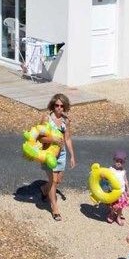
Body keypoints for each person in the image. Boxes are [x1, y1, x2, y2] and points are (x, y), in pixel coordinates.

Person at [38, 93, 76, 221]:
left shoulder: (66, 121)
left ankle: (44, 189)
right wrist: (52, 139)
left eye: (62, 106)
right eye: (57, 105)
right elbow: (40, 138)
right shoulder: (46, 119)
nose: (59, 108)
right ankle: (55, 208)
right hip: (49, 153)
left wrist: (72, 156)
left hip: (61, 154)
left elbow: (68, 139)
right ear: (53, 105)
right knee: (53, 181)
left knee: (58, 180)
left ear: (65, 107)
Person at [107, 150, 129, 225]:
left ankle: (118, 217)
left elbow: (126, 181)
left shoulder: (123, 171)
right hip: (113, 191)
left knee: (120, 206)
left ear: (123, 163)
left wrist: (128, 190)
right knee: (113, 206)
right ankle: (112, 214)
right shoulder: (111, 169)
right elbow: (106, 178)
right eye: (117, 161)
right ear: (114, 160)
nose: (119, 163)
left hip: (121, 192)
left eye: (121, 162)